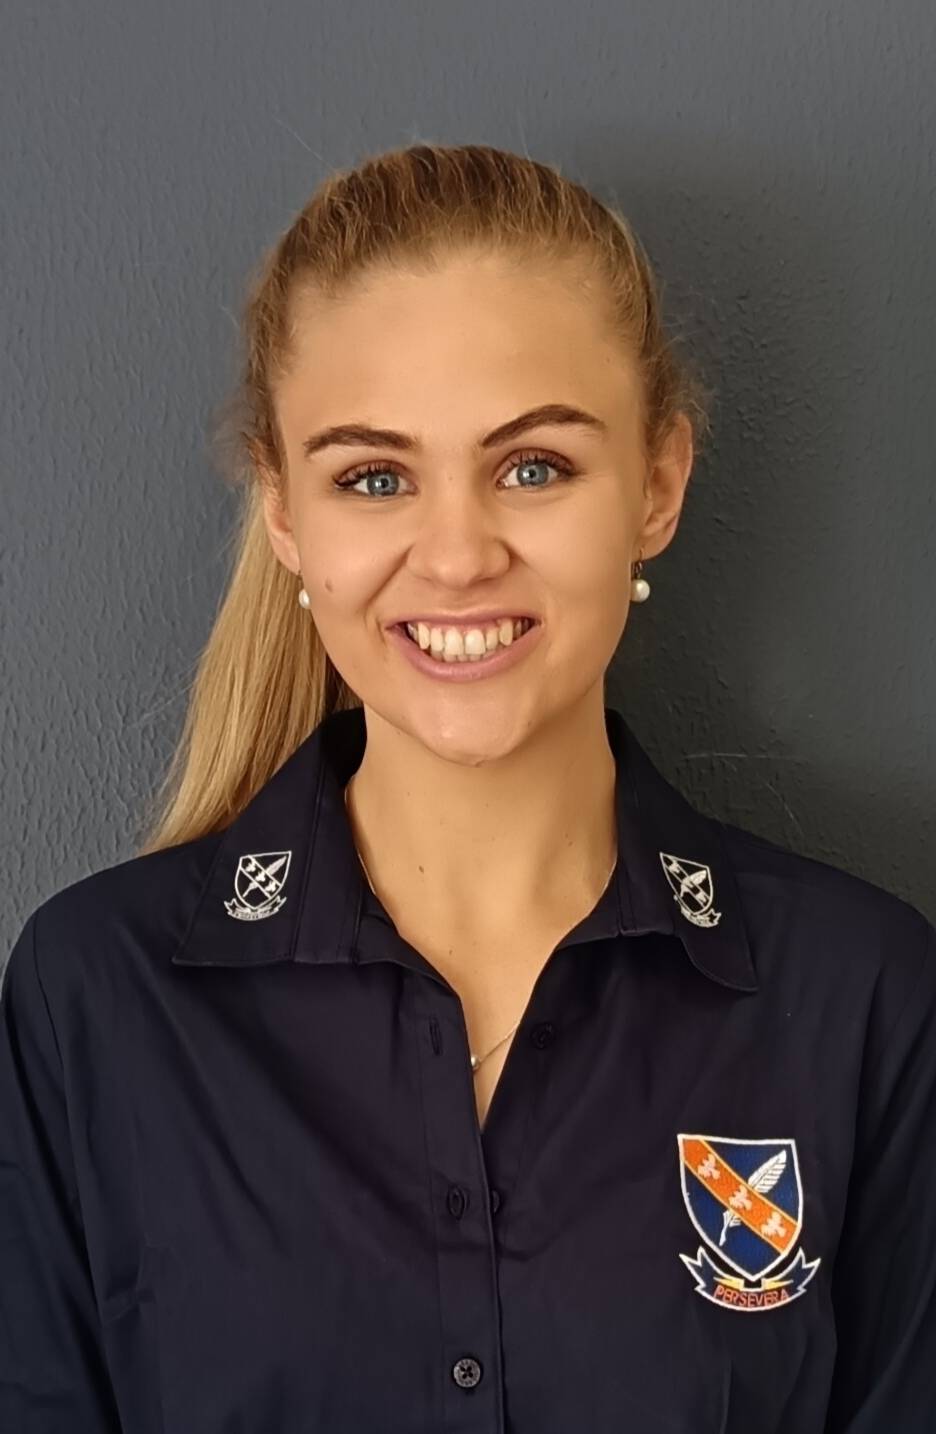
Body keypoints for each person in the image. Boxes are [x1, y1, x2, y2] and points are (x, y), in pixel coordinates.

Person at [1, 142, 934, 1434]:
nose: (455, 556)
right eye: (373, 477)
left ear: (658, 485)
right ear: (285, 514)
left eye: (533, 466)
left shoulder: (862, 998)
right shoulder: (94, 1002)